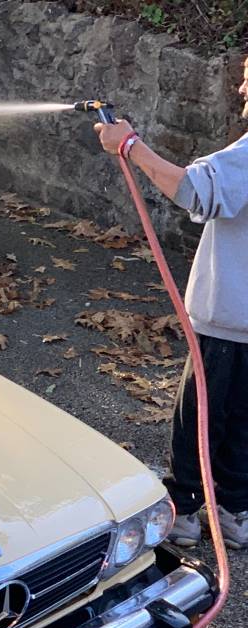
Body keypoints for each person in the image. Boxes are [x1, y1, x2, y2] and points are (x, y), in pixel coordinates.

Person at [94, 58, 248, 548]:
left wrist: (130, 146)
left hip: (228, 317)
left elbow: (193, 191)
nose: (242, 88)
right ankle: (234, 508)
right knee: (243, 417)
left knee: (201, 411)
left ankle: (182, 510)